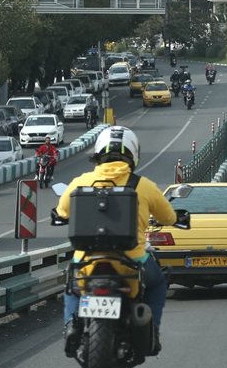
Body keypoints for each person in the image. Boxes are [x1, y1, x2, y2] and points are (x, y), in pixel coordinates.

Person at [56, 126, 177, 356]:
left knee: (72, 287)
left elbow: (62, 211)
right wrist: (174, 218)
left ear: (98, 152)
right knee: (158, 283)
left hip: (87, 261)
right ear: (133, 154)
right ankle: (152, 331)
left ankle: (71, 325)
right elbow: (168, 217)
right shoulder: (144, 185)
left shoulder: (81, 182)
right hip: (132, 262)